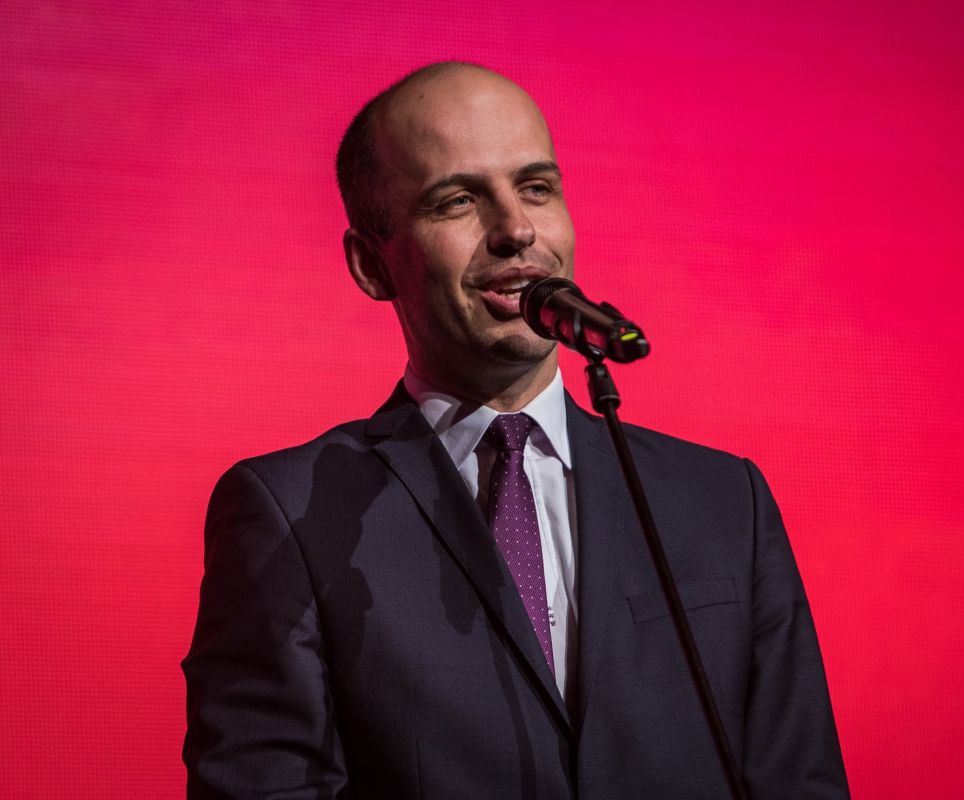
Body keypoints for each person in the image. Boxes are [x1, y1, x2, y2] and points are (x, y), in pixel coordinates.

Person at [182, 61, 850, 799]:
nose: (517, 230)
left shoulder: (724, 501)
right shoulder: (293, 514)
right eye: (458, 200)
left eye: (536, 188)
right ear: (372, 265)